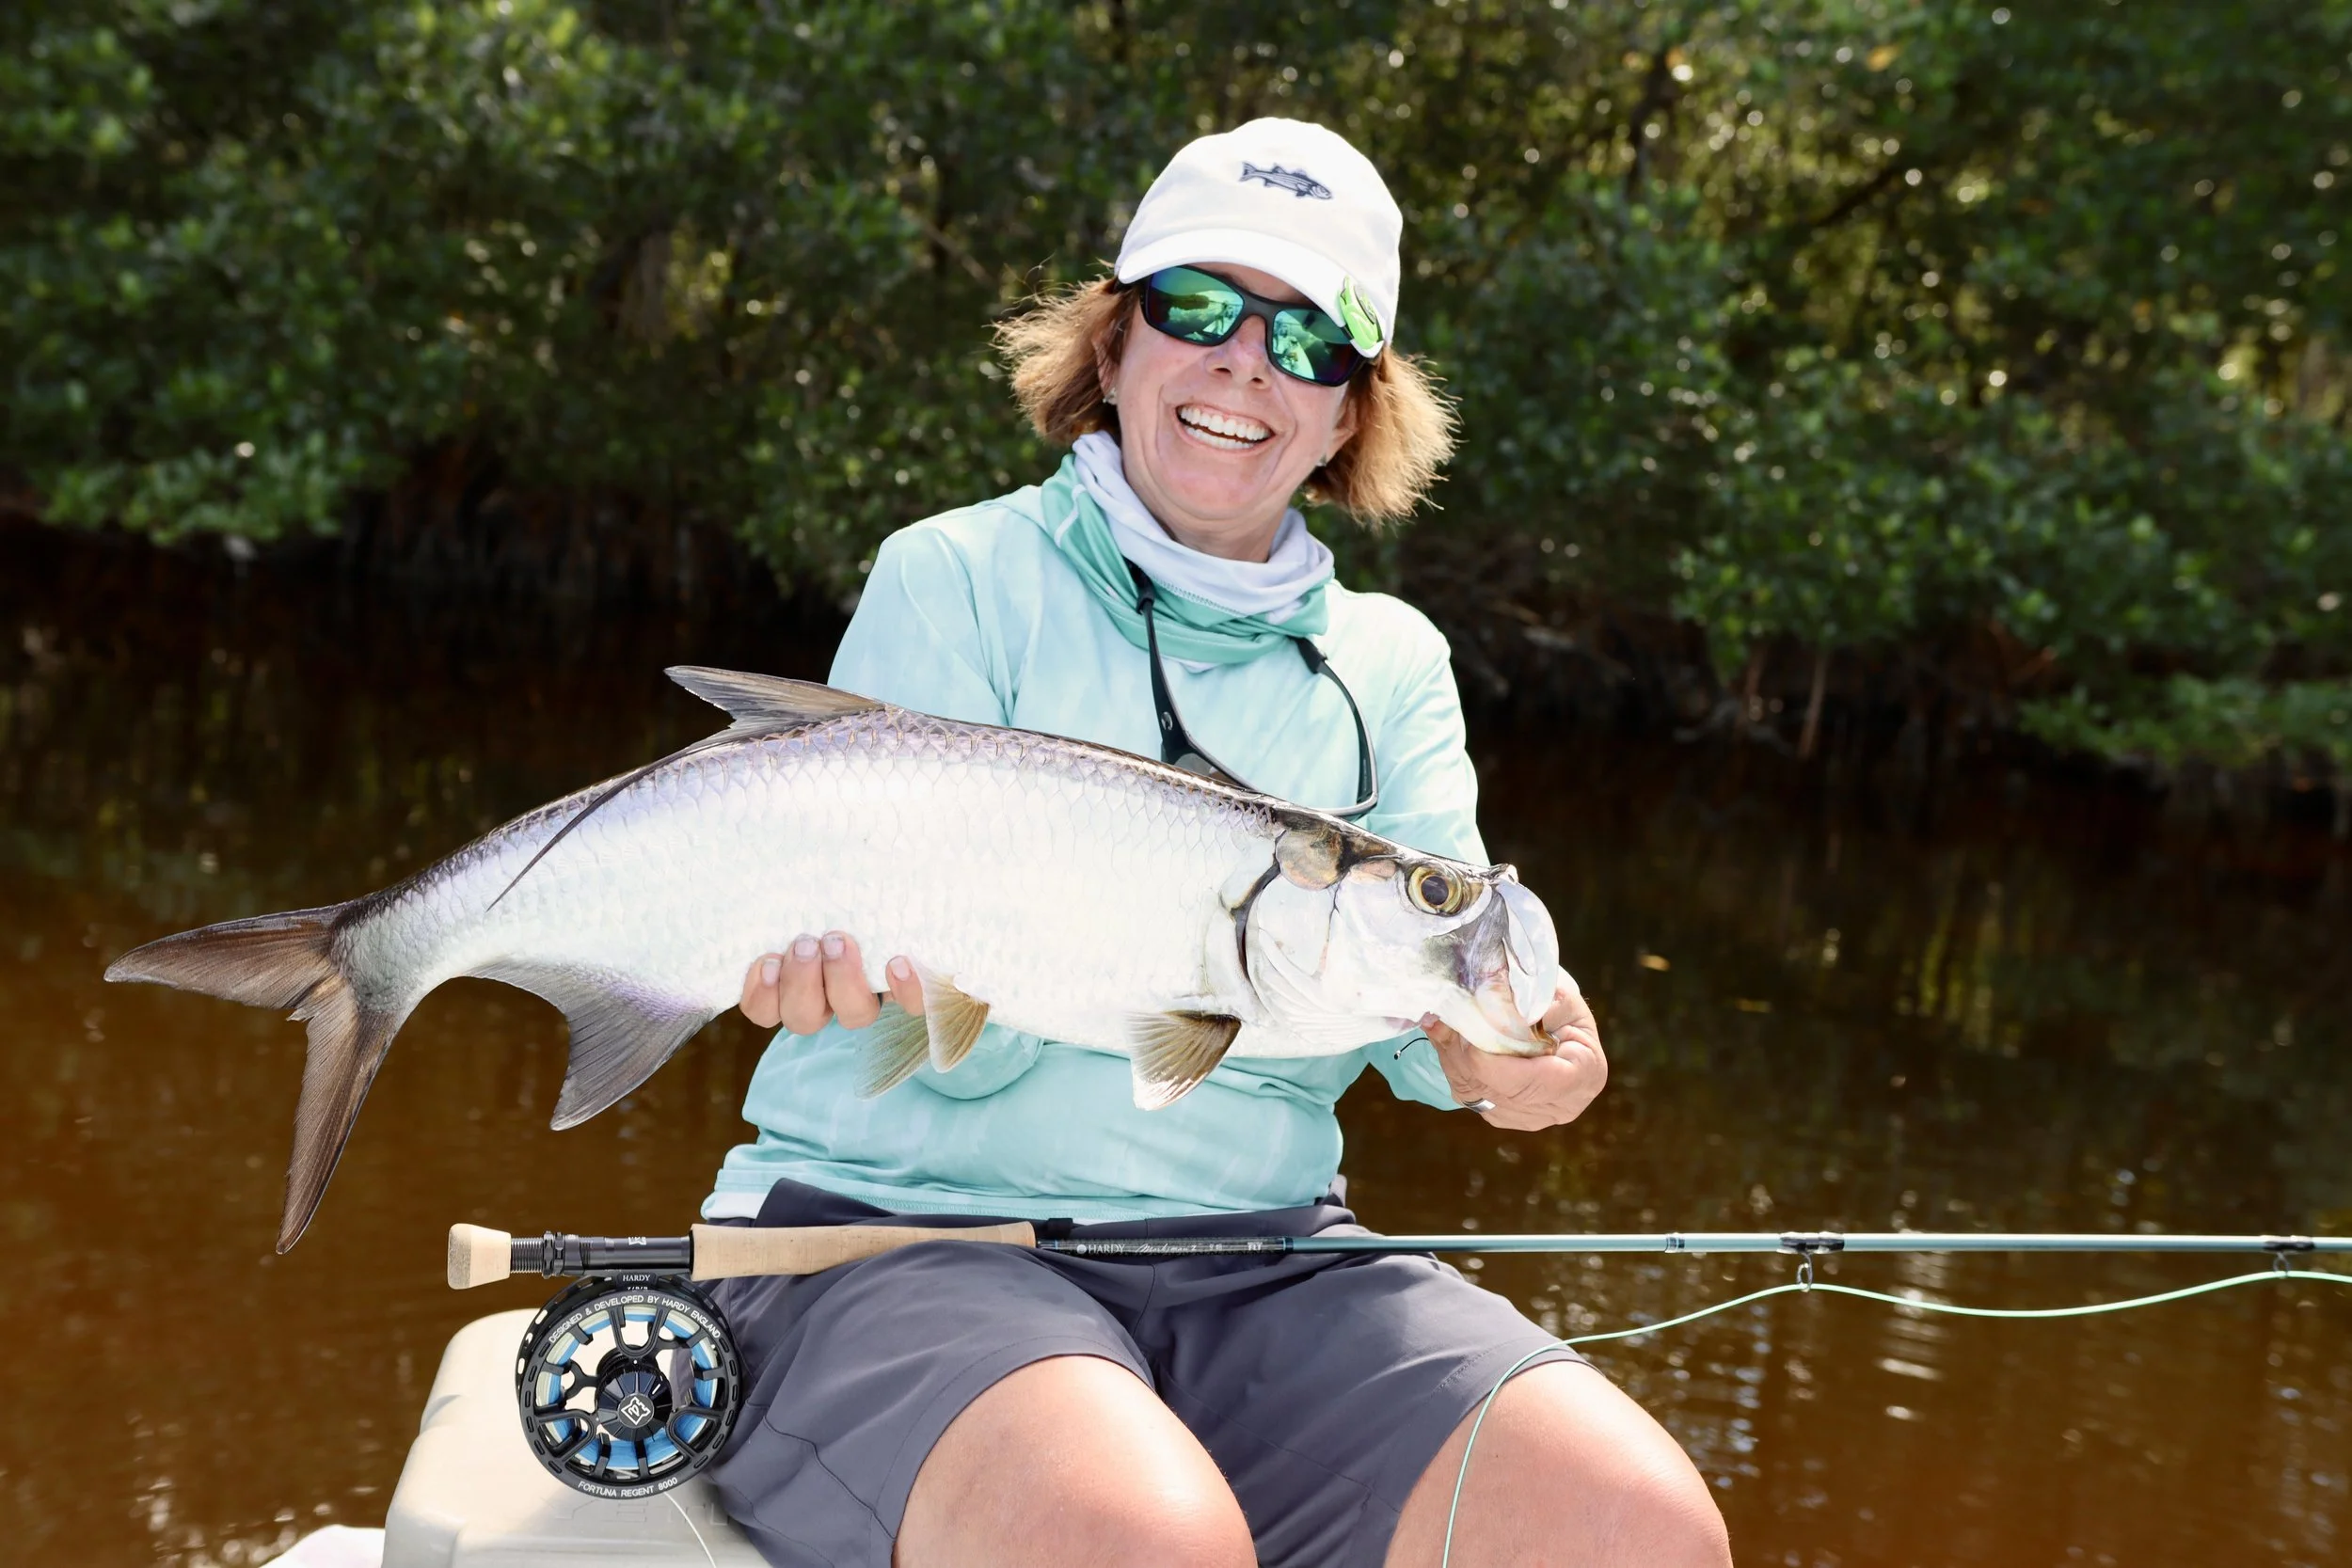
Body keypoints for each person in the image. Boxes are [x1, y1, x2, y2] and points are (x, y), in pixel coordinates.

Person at [704, 119, 1730, 1568]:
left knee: (1634, 1526)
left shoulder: (1393, 664)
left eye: (1309, 338)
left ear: (1354, 411)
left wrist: (1498, 1064)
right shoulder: (958, 577)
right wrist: (895, 985)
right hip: (894, 1237)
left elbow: (1406, 1016)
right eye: (1199, 308)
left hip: (1265, 1258)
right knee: (1142, 1538)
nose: (1246, 362)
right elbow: (959, 1040)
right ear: (1114, 346)